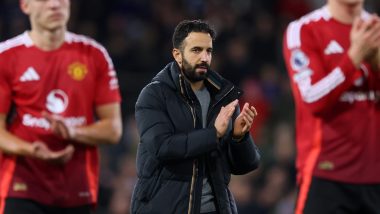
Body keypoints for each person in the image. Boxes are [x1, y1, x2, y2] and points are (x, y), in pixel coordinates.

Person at [0, 0, 122, 213]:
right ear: (25, 5)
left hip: (78, 188)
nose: (55, 4)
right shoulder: (6, 56)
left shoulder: (95, 55)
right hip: (22, 187)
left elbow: (113, 129)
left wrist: (73, 132)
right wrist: (31, 150)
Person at [131, 19, 260, 214]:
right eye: (196, 50)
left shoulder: (223, 96)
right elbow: (162, 147)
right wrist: (213, 133)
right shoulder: (154, 95)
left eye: (208, 51)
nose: (204, 58)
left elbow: (245, 165)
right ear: (177, 54)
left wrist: (239, 137)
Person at [283, 0, 380, 213]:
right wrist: (354, 58)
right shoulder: (304, 30)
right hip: (327, 176)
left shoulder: (376, 30)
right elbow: (311, 99)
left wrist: (377, 64)